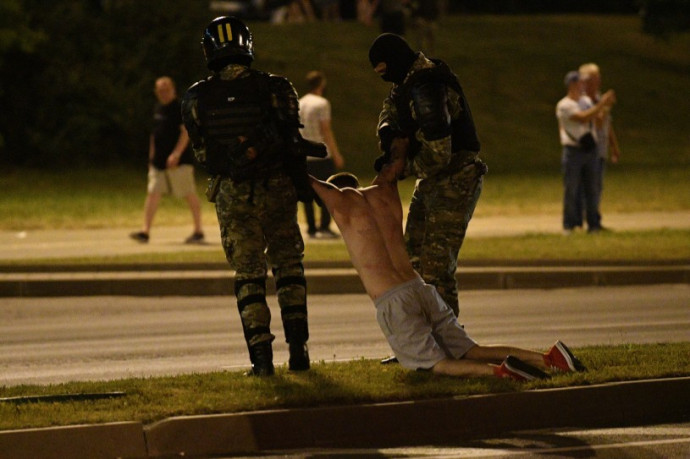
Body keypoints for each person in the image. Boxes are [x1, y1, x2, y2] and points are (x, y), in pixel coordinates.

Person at [309, 148, 586, 380]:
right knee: (471, 350)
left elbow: (304, 179)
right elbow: (397, 159)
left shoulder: (341, 204)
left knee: (436, 364)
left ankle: (503, 373)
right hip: (420, 287)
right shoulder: (384, 192)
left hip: (393, 301)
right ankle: (549, 359)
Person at [181, 16, 326, 376]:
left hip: (233, 196)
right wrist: (302, 188)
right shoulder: (276, 87)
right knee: (289, 268)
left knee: (248, 276)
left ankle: (261, 361)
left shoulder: (196, 97)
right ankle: (299, 351)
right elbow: (294, 146)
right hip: (276, 188)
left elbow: (203, 155)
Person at [368, 33, 487, 318]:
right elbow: (389, 115)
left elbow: (439, 154)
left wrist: (400, 170)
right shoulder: (405, 84)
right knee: (413, 264)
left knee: (436, 269)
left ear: (395, 62)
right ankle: (422, 343)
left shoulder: (427, 84)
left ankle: (449, 346)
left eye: (386, 71)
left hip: (455, 179)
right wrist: (390, 139)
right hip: (433, 180)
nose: (386, 79)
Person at [130, 76, 205, 245]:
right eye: (160, 90)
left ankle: (198, 230)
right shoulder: (158, 108)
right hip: (159, 162)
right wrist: (151, 158)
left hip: (179, 161)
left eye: (166, 89)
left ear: (173, 89)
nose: (163, 93)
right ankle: (145, 231)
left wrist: (176, 154)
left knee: (188, 193)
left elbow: (185, 132)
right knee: (153, 193)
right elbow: (154, 135)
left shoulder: (179, 107)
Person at [556, 70, 616, 234]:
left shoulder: (586, 100)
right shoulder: (564, 105)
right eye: (579, 83)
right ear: (572, 85)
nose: (583, 85)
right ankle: (569, 224)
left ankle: (593, 224)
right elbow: (582, 117)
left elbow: (597, 121)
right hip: (573, 151)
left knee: (592, 189)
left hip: (590, 150)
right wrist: (601, 104)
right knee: (572, 188)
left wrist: (605, 107)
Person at [299, 70, 345, 239]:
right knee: (327, 190)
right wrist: (336, 153)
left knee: (307, 191)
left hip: (304, 154)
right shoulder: (322, 103)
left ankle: (311, 227)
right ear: (321, 84)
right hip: (321, 154)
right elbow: (325, 130)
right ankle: (324, 226)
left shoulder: (299, 103)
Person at [576, 63, 621, 229]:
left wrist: (614, 147)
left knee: (597, 188)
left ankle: (593, 219)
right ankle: (590, 221)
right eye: (594, 78)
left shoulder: (598, 98)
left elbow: (607, 126)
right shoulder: (583, 101)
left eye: (598, 77)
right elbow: (598, 123)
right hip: (588, 151)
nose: (598, 81)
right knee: (589, 189)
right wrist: (605, 105)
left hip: (600, 151)